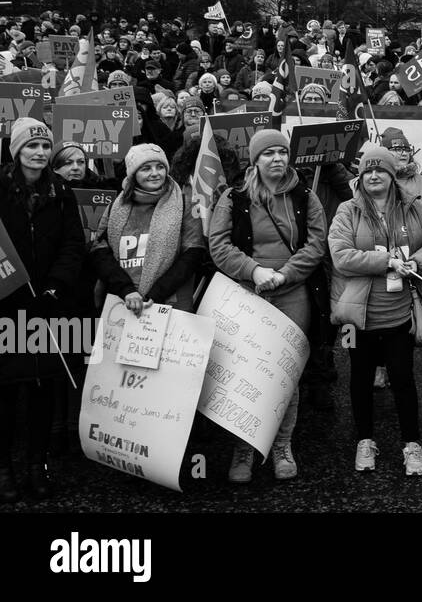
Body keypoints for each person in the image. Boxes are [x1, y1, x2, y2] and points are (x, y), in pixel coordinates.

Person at [208, 129, 328, 483]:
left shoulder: (306, 196)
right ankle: (243, 447)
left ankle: (282, 446)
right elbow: (219, 245)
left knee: (284, 375)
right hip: (248, 294)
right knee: (244, 374)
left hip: (293, 293)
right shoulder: (234, 196)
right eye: (268, 154)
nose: (277, 159)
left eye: (281, 152)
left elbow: (316, 244)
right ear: (255, 160)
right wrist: (255, 271)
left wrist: (286, 274)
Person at [328, 144, 422, 476]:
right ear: (360, 176)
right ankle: (365, 440)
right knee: (359, 380)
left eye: (381, 170)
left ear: (392, 175)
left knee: (404, 378)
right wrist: (386, 261)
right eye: (367, 170)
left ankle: (412, 444)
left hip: (399, 314)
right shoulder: (347, 211)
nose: (374, 175)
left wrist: (417, 260)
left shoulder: (412, 207)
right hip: (355, 319)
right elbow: (341, 256)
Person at [0, 119, 86, 503]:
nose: (38, 152)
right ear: (16, 150)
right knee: (4, 392)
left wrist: (54, 287)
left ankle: (38, 465)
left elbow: (73, 244)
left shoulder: (62, 190)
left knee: (42, 389)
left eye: (44, 146)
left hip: (49, 307)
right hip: (7, 305)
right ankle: (4, 470)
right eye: (31, 146)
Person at [90, 143, 205, 313]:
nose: (155, 173)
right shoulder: (116, 206)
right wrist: (126, 290)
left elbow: (193, 253)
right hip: (122, 301)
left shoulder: (184, 203)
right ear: (133, 174)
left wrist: (156, 293)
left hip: (168, 300)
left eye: (160, 167)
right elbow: (100, 250)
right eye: (146, 168)